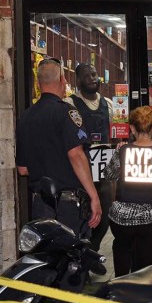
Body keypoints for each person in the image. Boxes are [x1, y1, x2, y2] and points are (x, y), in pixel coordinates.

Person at [16, 58, 101, 238]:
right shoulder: (66, 113)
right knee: (72, 260)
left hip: (40, 204)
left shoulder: (26, 117)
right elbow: (76, 155)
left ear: (38, 83)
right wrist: (94, 196)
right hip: (67, 205)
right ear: (62, 80)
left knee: (48, 258)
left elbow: (23, 169)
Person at [103, 106, 152, 276]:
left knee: (123, 263)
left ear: (132, 128)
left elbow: (108, 174)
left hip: (121, 221)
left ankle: (122, 291)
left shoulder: (123, 152)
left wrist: (119, 152)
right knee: (150, 273)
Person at [66, 63, 114, 251]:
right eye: (87, 76)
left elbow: (115, 133)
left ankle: (93, 251)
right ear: (78, 81)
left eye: (94, 74)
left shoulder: (109, 104)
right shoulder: (69, 104)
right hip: (81, 169)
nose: (93, 79)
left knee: (105, 214)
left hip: (104, 170)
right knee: (82, 216)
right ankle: (82, 256)